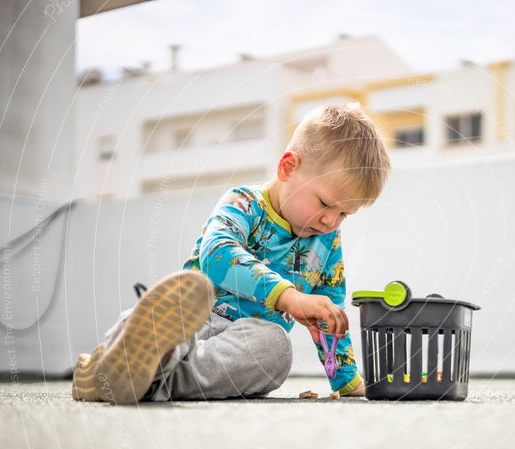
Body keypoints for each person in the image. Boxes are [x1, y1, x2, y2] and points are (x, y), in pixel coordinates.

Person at [72, 103, 392, 404]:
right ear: (288, 167)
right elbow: (217, 253)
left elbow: (329, 313)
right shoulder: (245, 203)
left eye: (344, 214)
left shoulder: (327, 241)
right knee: (166, 318)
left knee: (276, 348)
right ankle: (127, 361)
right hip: (194, 318)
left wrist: (347, 381)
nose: (330, 221)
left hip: (241, 342)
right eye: (325, 204)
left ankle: (136, 379)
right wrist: (290, 298)